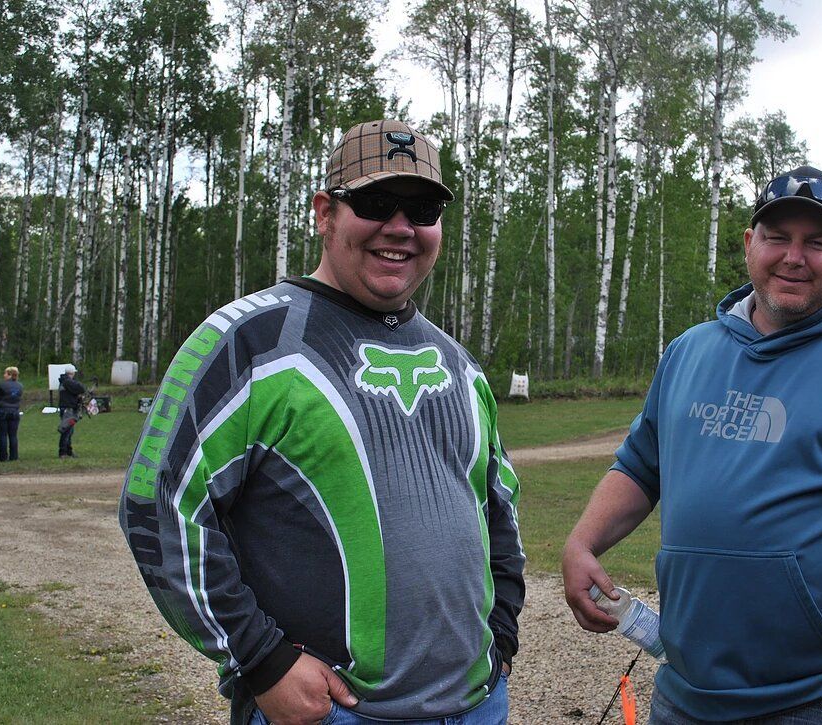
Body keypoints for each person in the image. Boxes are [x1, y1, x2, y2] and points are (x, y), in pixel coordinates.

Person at [119, 119, 524, 725]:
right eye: (375, 202)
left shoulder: (458, 363)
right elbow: (157, 503)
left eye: (423, 207)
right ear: (325, 212)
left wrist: (503, 636)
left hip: (478, 707)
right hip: (329, 714)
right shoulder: (246, 342)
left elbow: (498, 506)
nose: (400, 227)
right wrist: (262, 661)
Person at [562, 166, 822, 724]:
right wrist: (582, 543)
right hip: (680, 693)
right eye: (777, 237)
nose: (794, 257)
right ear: (748, 243)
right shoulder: (690, 352)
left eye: (818, 242)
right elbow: (642, 465)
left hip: (814, 703)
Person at [0, 366, 23, 462]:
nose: (4, 375)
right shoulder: (20, 386)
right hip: (15, 411)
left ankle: (3, 456)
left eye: (5, 373)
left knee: (2, 435)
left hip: (3, 411)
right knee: (13, 435)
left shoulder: (2, 385)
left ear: (9, 374)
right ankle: (14, 456)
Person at [57, 363, 85, 458]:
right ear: (72, 373)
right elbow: (81, 388)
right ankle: (63, 452)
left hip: (69, 409)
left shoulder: (65, 381)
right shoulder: (67, 382)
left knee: (69, 431)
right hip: (68, 410)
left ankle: (68, 451)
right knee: (66, 431)